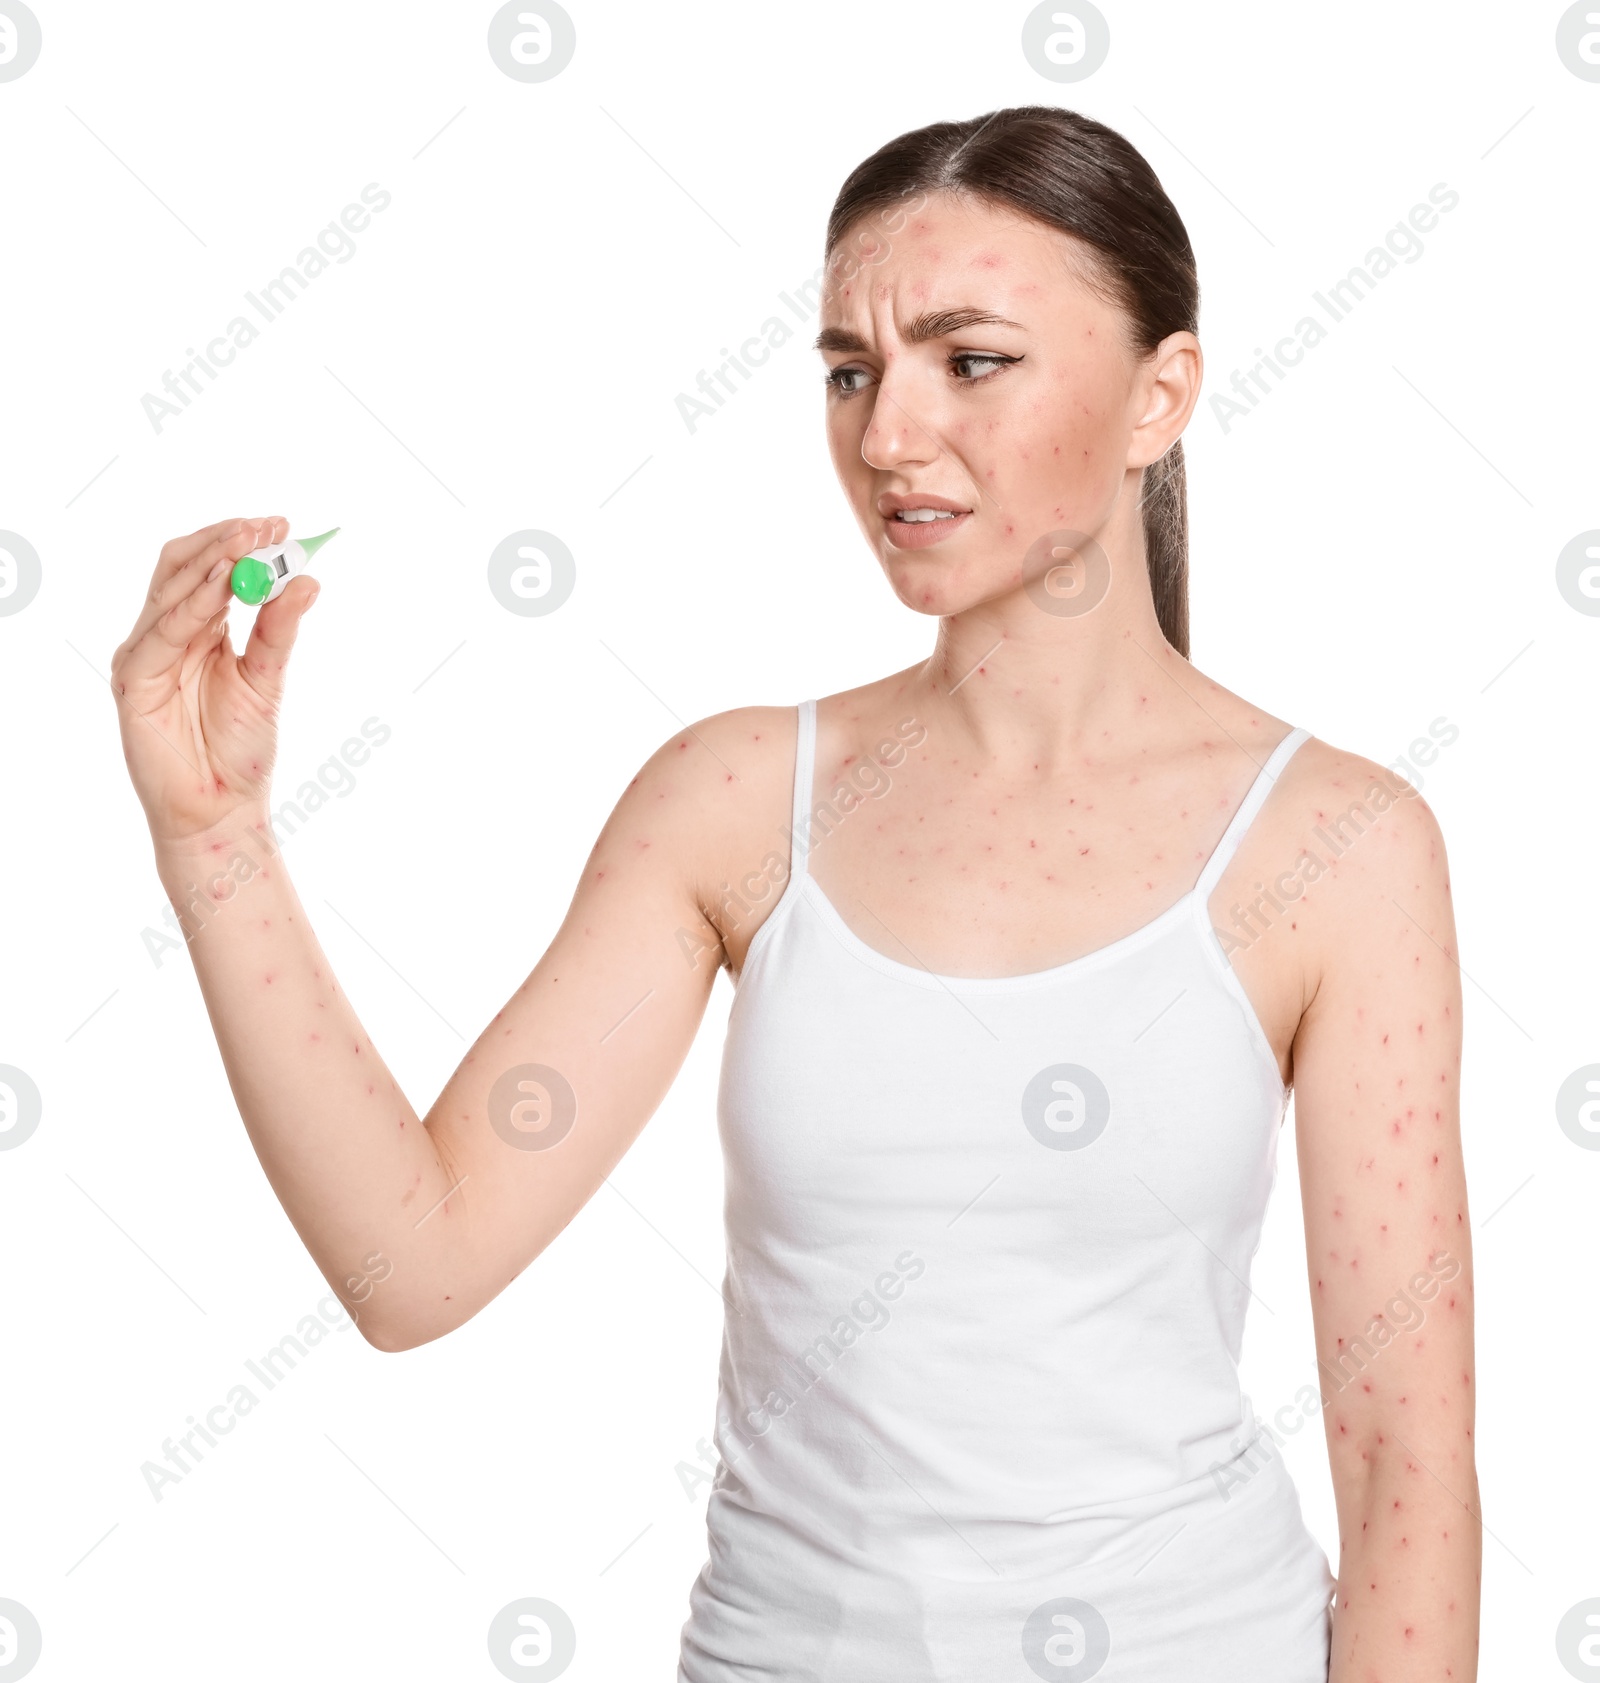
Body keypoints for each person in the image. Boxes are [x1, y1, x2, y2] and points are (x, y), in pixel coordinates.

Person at [111, 105, 1479, 1682]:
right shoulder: (736, 799)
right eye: (851, 370)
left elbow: (1408, 1480)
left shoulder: (1342, 845)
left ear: (1158, 395)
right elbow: (410, 1265)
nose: (888, 434)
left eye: (971, 360)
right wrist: (215, 837)